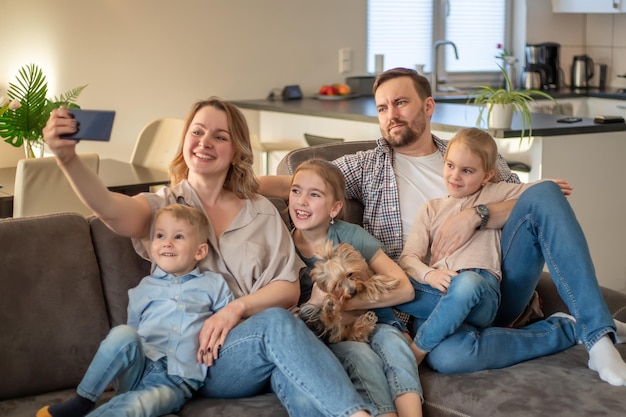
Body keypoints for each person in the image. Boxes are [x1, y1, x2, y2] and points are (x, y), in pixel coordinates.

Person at [259, 68, 626, 386]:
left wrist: (476, 215)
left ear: (428, 106)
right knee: (449, 358)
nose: (391, 115)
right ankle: (568, 328)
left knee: (546, 193)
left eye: (401, 103)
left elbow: (530, 206)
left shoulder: (469, 153)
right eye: (383, 108)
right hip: (429, 297)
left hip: (498, 282)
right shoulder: (368, 166)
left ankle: (598, 336)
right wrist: (231, 180)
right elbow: (302, 181)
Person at [42, 97, 373, 417]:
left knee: (297, 370)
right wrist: (68, 159)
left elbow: (287, 288)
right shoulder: (165, 207)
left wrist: (234, 310)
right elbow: (111, 210)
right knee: (282, 328)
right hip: (191, 358)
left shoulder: (261, 211)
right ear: (185, 141)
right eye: (197, 132)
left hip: (247, 351)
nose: (205, 142)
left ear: (236, 150)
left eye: (220, 136)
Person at [38, 203, 234, 417]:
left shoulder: (214, 284)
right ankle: (82, 401)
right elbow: (128, 342)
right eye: (160, 236)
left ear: (200, 251)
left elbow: (228, 325)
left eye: (178, 237)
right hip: (138, 369)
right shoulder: (142, 290)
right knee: (123, 333)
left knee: (134, 406)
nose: (167, 243)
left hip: (177, 382)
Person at [397, 127, 553, 365]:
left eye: (467, 170)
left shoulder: (495, 193)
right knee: (388, 286)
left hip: (482, 291)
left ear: (487, 175)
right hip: (441, 287)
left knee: (467, 283)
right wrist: (429, 275)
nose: (455, 176)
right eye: (450, 165)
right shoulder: (430, 209)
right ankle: (451, 328)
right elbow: (408, 258)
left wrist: (551, 184)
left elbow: (540, 192)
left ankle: (418, 348)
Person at [289, 158, 422, 417]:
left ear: (335, 208)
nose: (302, 201)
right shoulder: (281, 241)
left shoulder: (351, 235)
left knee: (395, 345)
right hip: (325, 333)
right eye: (296, 191)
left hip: (374, 320)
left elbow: (405, 289)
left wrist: (345, 301)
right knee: (362, 356)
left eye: (314, 194)